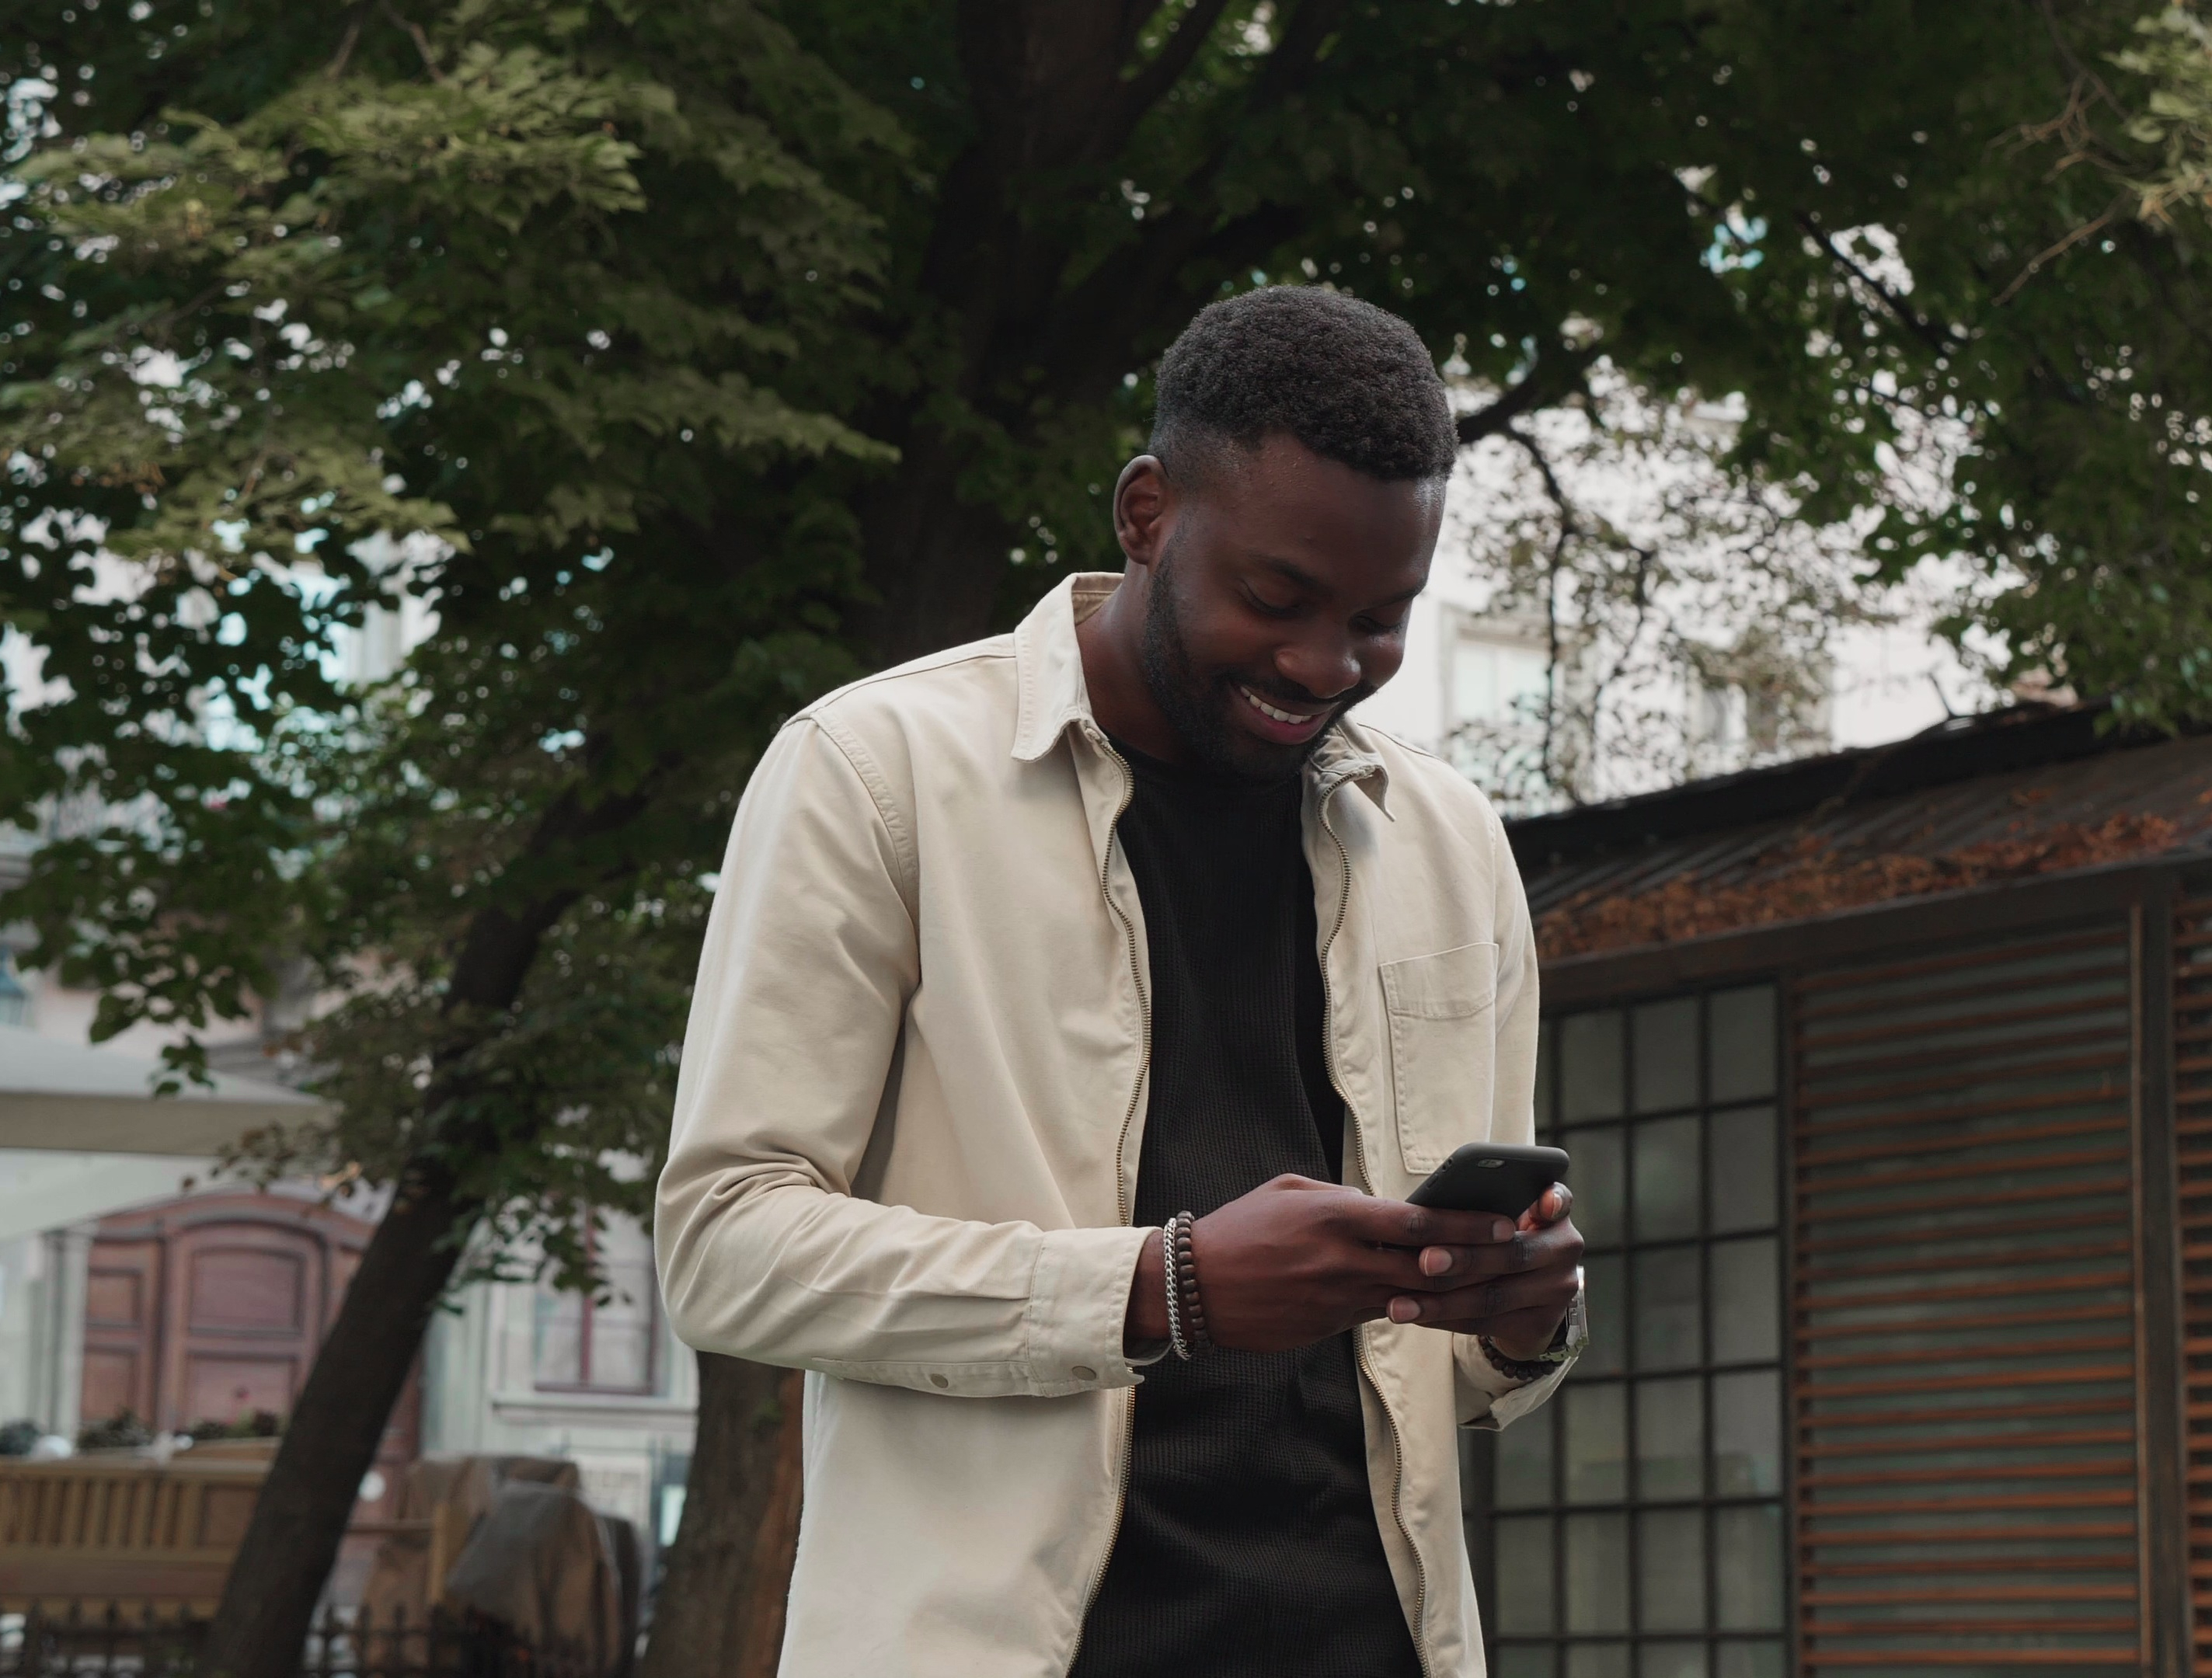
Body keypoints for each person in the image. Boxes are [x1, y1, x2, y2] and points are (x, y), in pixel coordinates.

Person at [654, 284, 1586, 1676]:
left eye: (1382, 620)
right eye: (1277, 597)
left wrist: (1520, 1320)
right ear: (1146, 514)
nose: (1326, 664)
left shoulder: (1449, 841)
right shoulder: (877, 775)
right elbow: (726, 1250)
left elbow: (1435, 1379)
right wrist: (1164, 1288)